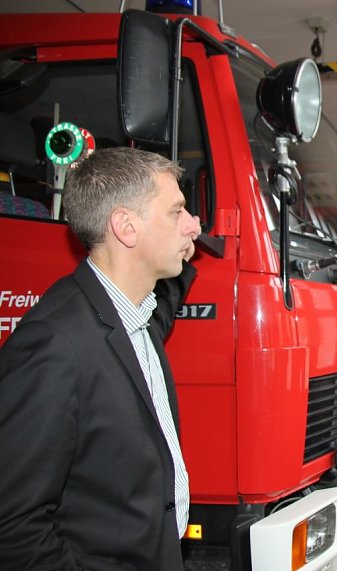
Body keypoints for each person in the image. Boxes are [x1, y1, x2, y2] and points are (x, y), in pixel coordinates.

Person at [0, 147, 202, 570]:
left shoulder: (137, 315)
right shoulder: (54, 346)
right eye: (177, 211)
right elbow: (14, 526)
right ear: (126, 227)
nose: (193, 226)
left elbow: (163, 306)